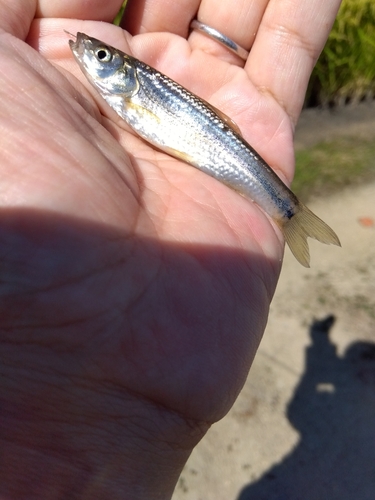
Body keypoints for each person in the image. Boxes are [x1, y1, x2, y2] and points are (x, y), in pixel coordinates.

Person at [0, 0, 341, 498]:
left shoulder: (133, 89)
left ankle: (287, 210)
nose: (87, 57)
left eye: (99, 59)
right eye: (100, 57)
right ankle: (287, 210)